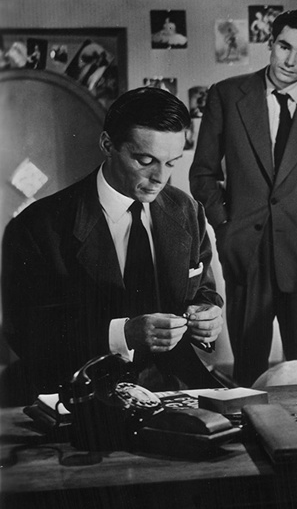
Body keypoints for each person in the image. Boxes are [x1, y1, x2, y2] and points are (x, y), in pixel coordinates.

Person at [2, 87, 224, 404]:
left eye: (172, 162)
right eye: (145, 160)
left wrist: (208, 315)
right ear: (107, 145)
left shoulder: (187, 210)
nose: (160, 177)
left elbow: (203, 291)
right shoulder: (38, 226)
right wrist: (122, 334)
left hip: (176, 384)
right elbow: (26, 331)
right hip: (82, 393)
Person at [190, 8, 297, 387]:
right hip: (244, 252)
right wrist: (225, 225)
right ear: (270, 43)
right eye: (284, 47)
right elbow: (202, 173)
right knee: (248, 374)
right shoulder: (226, 95)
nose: (290, 61)